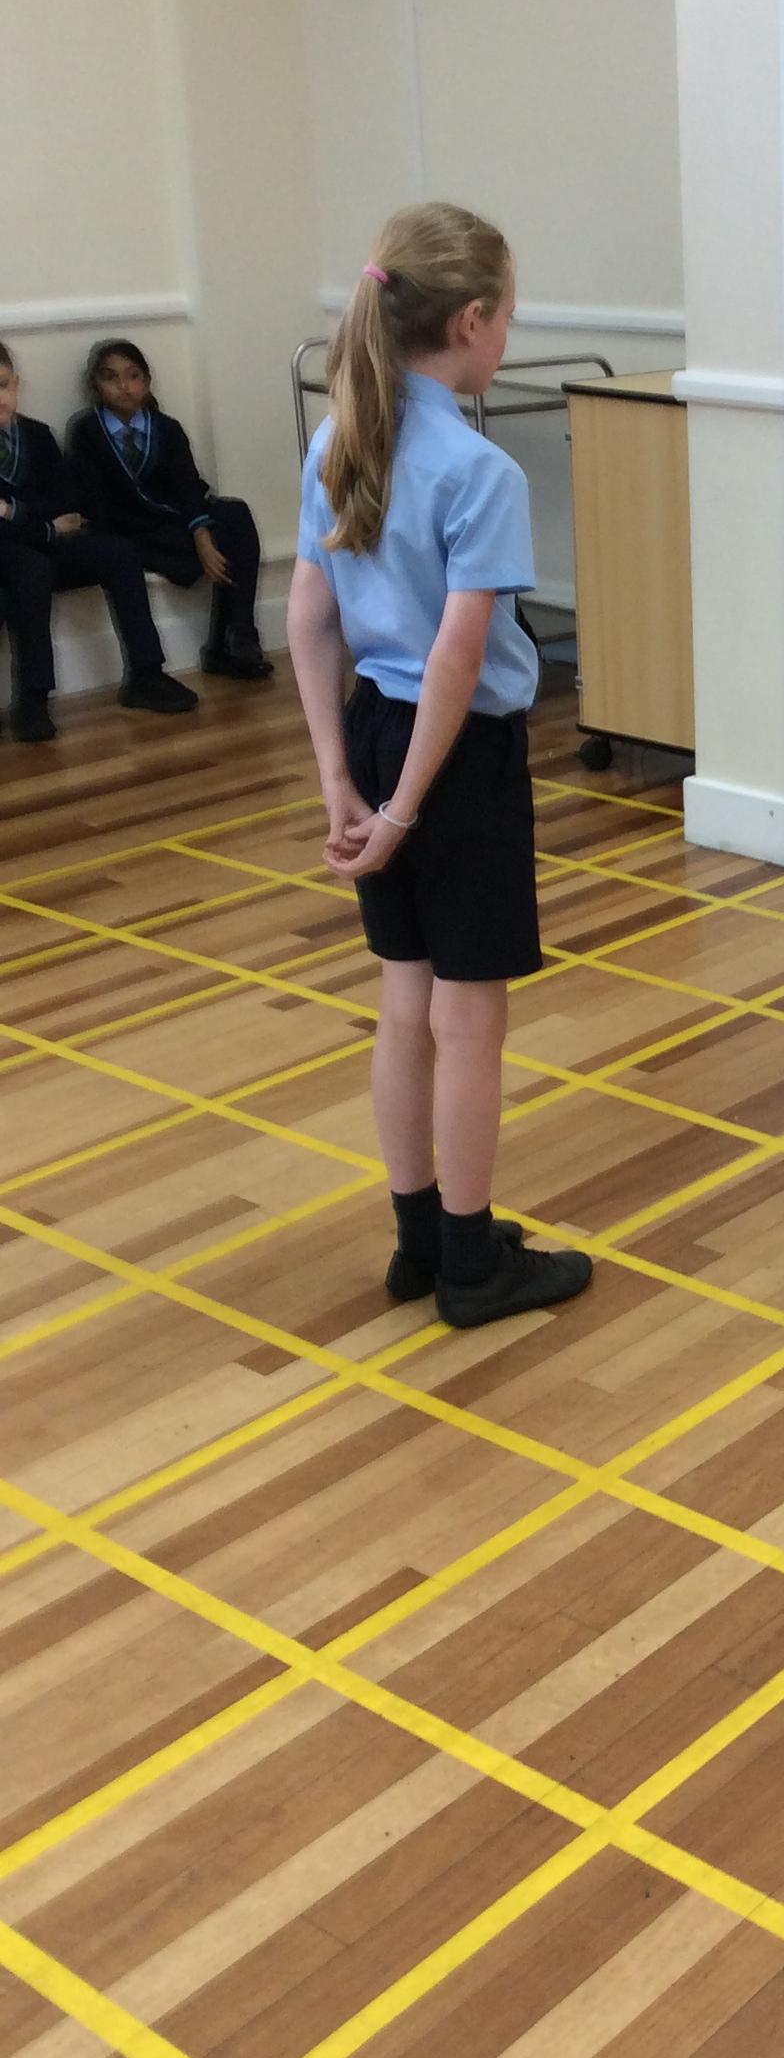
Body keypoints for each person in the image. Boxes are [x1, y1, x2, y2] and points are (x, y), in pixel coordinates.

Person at [285, 201, 593, 1330]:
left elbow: (309, 613)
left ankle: (421, 1242)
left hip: (374, 732)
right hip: (451, 764)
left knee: (404, 999)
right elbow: (460, 658)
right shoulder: (478, 468)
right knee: (468, 1021)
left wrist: (339, 777)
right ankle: (472, 1268)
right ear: (469, 322)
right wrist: (409, 807)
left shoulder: (338, 442)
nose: (507, 337)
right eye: (506, 318)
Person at [0, 340, 198, 739]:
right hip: (15, 556)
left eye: (3, 385)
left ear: (16, 385)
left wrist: (12, 512)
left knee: (119, 552)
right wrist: (41, 524)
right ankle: (33, 698)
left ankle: (145, 673)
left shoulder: (37, 436)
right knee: (29, 567)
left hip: (47, 543)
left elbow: (66, 503)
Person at [65, 339, 273, 682]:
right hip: (130, 532)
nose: (123, 386)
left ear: (147, 383)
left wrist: (200, 533)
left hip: (174, 522)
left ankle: (238, 632)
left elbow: (187, 485)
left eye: (133, 376)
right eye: (111, 377)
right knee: (216, 537)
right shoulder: (87, 431)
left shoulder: (165, 428)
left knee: (234, 515)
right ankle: (221, 649)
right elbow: (93, 502)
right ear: (96, 386)